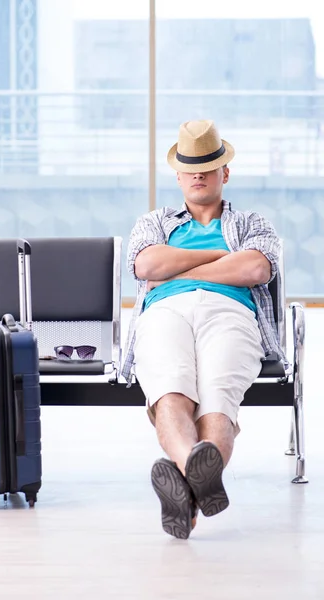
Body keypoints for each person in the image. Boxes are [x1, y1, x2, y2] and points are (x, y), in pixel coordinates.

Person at [122, 120, 286, 539]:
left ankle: (187, 489)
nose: (198, 174)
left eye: (208, 166)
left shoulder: (251, 222)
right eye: (190, 166)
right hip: (165, 312)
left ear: (224, 173)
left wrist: (180, 269)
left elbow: (255, 266)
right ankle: (198, 470)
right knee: (170, 393)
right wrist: (222, 259)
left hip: (231, 312)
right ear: (178, 176)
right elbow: (145, 266)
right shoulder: (155, 222)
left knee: (218, 400)